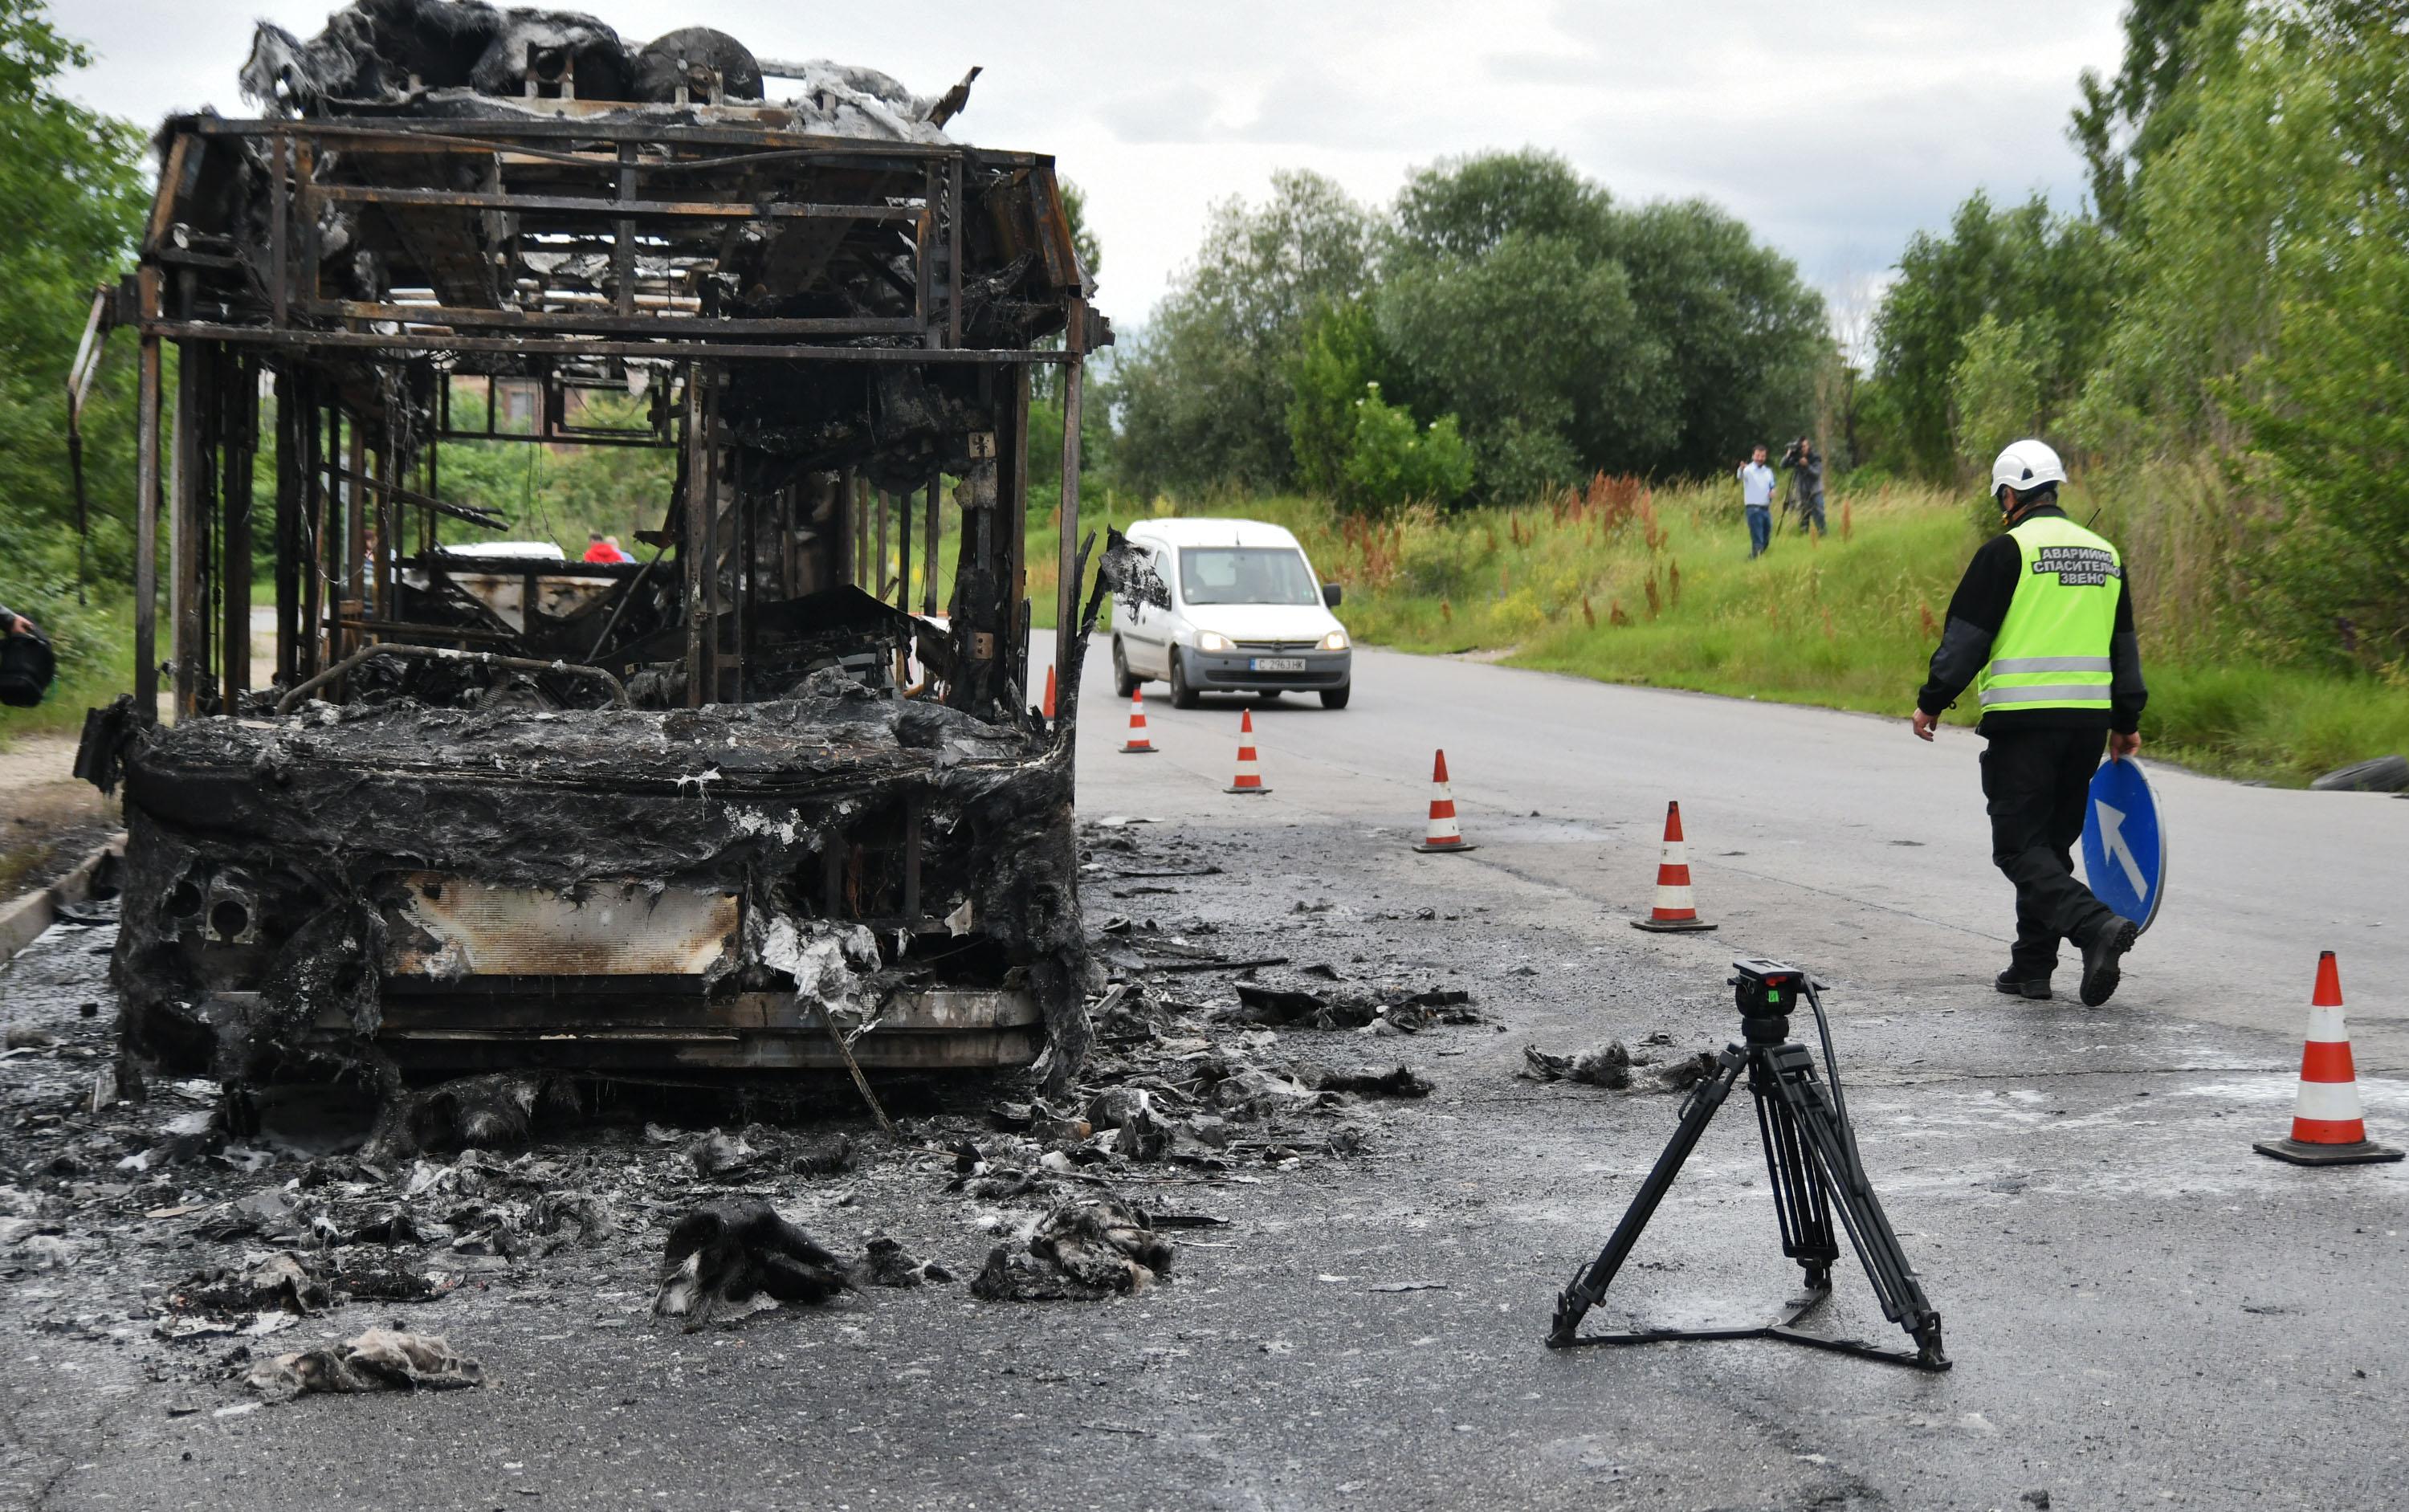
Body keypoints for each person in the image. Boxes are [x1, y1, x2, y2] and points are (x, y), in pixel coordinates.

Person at [1910, 438, 2146, 1007]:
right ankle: (2032, 968)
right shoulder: (2106, 554)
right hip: (2087, 723)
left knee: (2018, 847)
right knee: (2050, 845)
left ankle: (2094, 926)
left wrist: (1932, 699)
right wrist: (2126, 719)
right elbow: (2125, 649)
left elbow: (1967, 639)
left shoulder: (2006, 551)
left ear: (2012, 493)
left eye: (2002, 496)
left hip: (2024, 721)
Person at [1735, 444, 1775, 559]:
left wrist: (1773, 491)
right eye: (1757, 455)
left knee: (1766, 539)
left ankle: (1754, 557)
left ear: (1765, 457)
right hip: (1753, 509)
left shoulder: (1768, 471)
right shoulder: (1748, 470)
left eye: (1762, 456)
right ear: (1753, 456)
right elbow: (1740, 476)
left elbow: (1772, 485)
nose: (1760, 458)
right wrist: (1741, 468)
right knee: (1758, 539)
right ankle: (1754, 560)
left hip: (1765, 510)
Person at [1781, 436, 1826, 536]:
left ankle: (1822, 535)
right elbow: (1783, 466)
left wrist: (1807, 466)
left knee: (1820, 516)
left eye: (1805, 446)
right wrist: (1788, 455)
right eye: (1801, 447)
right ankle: (1804, 535)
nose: (1803, 448)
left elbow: (1816, 474)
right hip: (1801, 493)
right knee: (1803, 518)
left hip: (1815, 492)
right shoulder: (1795, 458)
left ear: (1809, 446)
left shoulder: (1815, 457)